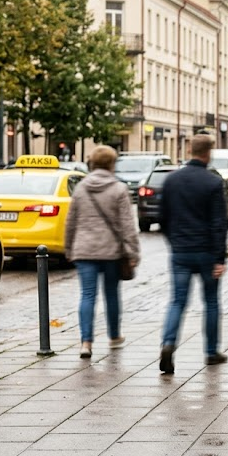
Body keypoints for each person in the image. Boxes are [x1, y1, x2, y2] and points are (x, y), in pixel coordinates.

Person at [158, 134, 228, 373]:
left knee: (177, 301)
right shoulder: (213, 182)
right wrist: (220, 258)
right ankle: (211, 351)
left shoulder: (172, 180)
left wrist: (174, 242)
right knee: (211, 301)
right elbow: (219, 223)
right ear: (208, 154)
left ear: (190, 150)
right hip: (207, 252)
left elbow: (163, 218)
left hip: (181, 252)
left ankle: (168, 343)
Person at [65, 145, 140, 359]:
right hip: (111, 251)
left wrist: (68, 247)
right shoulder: (118, 189)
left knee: (87, 294)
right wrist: (133, 252)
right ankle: (114, 336)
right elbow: (127, 224)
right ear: (111, 164)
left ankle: (86, 342)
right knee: (111, 294)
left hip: (84, 250)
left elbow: (71, 222)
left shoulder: (81, 188)